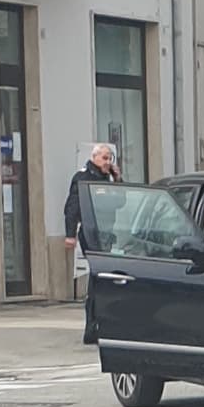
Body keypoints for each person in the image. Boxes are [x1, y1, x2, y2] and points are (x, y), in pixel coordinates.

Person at [64, 143, 120, 346]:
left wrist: (118, 179)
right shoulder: (83, 177)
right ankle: (92, 326)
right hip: (91, 234)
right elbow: (72, 207)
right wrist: (70, 234)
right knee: (97, 278)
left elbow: (121, 202)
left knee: (102, 280)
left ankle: (101, 323)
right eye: (104, 158)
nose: (107, 162)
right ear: (94, 157)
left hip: (107, 234)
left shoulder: (108, 179)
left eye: (110, 158)